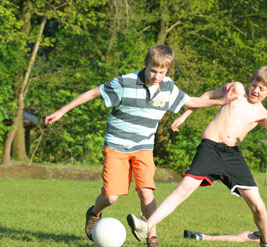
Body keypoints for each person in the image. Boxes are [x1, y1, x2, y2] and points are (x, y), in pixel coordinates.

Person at [44, 44, 235, 247]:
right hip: (117, 145)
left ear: (167, 70)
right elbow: (92, 93)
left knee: (146, 191)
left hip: (144, 147)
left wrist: (221, 102)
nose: (156, 76)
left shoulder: (168, 87)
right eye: (153, 70)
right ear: (146, 64)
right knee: (111, 197)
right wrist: (62, 111)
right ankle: (94, 212)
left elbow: (191, 101)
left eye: (162, 72)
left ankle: (151, 235)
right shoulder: (126, 82)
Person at [127, 66, 267, 247]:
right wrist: (185, 115)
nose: (255, 90)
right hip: (209, 150)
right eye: (254, 85)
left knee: (258, 207)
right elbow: (208, 95)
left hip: (233, 157)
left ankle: (266, 242)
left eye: (261, 89)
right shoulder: (237, 89)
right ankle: (146, 225)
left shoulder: (263, 114)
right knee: (182, 190)